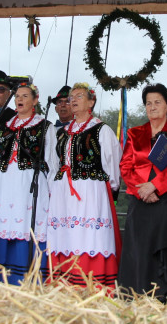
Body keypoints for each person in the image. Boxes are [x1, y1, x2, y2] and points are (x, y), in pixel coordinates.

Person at [118, 83, 167, 300]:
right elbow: (125, 166)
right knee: (139, 253)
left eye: (158, 102)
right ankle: (136, 298)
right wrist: (142, 189)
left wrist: (155, 186)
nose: (152, 107)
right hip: (141, 199)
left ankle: (166, 300)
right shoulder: (135, 133)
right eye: (148, 103)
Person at [47, 83, 122, 290]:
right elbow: (54, 164)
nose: (73, 100)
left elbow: (112, 163)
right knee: (66, 235)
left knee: (89, 236)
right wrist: (56, 189)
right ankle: (64, 282)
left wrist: (108, 190)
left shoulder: (101, 129)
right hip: (64, 192)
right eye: (71, 97)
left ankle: (92, 283)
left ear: (91, 101)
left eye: (79, 96)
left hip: (91, 191)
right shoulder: (62, 133)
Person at [0, 83, 55, 284]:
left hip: (30, 182)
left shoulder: (45, 126)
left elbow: (52, 161)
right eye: (17, 96)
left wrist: (51, 191)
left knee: (27, 224)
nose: (20, 100)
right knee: (3, 223)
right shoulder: (2, 126)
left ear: (35, 100)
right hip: (3, 183)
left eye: (25, 96)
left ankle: (27, 278)